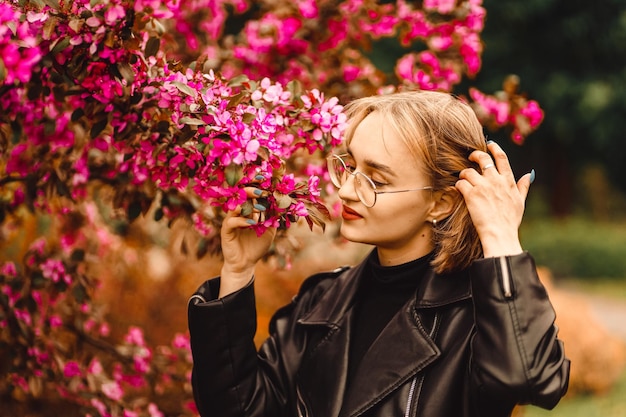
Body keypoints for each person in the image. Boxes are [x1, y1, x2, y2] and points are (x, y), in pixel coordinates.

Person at [187, 90, 570, 417]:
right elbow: (239, 409)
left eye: (376, 180)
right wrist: (237, 272)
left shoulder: (480, 314)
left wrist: (500, 237)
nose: (348, 191)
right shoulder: (321, 301)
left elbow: (528, 377)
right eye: (350, 167)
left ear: (440, 202)